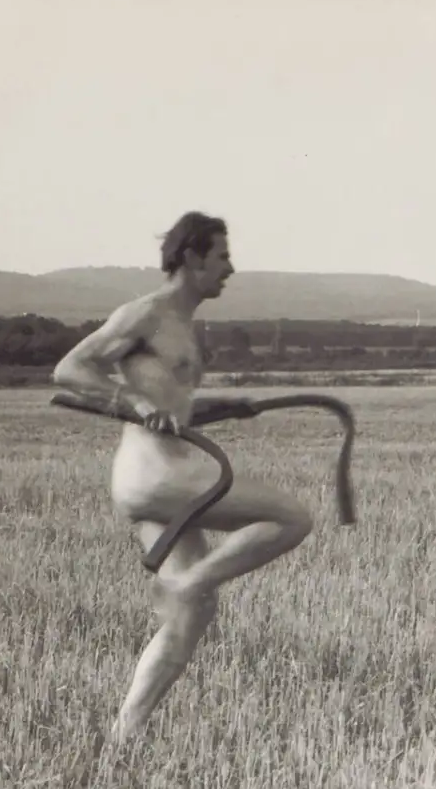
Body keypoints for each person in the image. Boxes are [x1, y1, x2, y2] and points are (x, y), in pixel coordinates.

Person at [51, 211, 314, 747]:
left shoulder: (182, 325)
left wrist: (222, 407)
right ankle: (182, 583)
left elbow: (175, 407)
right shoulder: (144, 314)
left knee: (192, 616)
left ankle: (123, 737)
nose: (231, 269)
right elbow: (70, 370)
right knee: (293, 517)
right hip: (156, 474)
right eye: (222, 257)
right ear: (192, 258)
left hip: (159, 477)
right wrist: (133, 399)